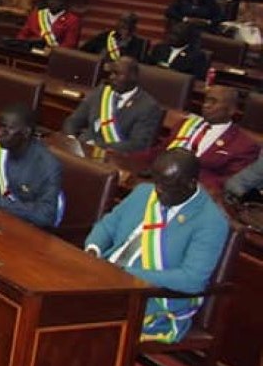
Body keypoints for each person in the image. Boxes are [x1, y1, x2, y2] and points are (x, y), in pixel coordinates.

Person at [86, 151, 229, 342]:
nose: (158, 190)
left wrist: (126, 273)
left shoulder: (210, 221)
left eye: (167, 186)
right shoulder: (144, 193)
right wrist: (93, 249)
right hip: (106, 276)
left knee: (79, 316)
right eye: (157, 182)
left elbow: (192, 279)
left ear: (190, 184)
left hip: (152, 299)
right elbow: (107, 226)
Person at [151, 86, 260, 191]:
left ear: (231, 110)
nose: (206, 105)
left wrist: (182, 181)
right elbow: (158, 151)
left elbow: (232, 182)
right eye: (206, 100)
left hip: (196, 192)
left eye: (213, 102)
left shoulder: (244, 145)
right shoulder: (185, 124)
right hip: (159, 180)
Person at [62, 58, 165, 155]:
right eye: (111, 73)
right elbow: (73, 120)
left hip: (114, 158)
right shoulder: (101, 91)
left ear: (133, 76)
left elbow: (138, 145)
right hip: (82, 149)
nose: (111, 77)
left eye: (117, 74)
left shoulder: (148, 106)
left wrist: (97, 146)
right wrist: (70, 137)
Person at [15, 0, 81, 49]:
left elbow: (69, 45)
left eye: (58, 0)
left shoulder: (73, 20)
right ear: (47, 0)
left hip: (53, 56)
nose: (54, 3)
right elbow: (22, 35)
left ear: (64, 2)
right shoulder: (36, 15)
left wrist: (51, 52)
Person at [145, 22, 211, 79]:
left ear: (187, 38)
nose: (171, 37)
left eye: (176, 35)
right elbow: (148, 67)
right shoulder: (159, 48)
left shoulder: (197, 56)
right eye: (171, 34)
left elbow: (197, 78)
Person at [82, 13, 149, 62]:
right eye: (121, 21)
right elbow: (84, 50)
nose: (123, 25)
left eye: (127, 22)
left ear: (134, 27)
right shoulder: (105, 36)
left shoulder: (139, 44)